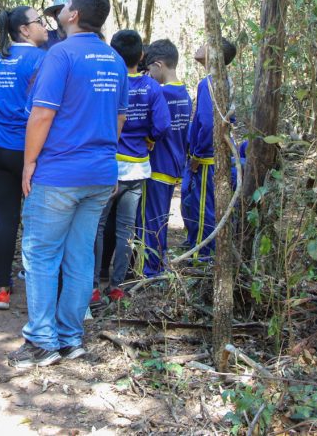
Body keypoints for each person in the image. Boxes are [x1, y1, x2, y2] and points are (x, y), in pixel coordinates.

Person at [9, 0, 128, 368]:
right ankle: (70, 337)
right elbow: (119, 119)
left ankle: (42, 341)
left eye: (68, 3)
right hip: (99, 172)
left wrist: (29, 163)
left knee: (41, 254)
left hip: (59, 173)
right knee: (78, 256)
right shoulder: (114, 59)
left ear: (74, 15)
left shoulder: (60, 54)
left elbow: (41, 115)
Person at [0, 6, 48, 309]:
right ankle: (38, 288)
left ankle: (2, 289)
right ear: (24, 30)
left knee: (6, 218)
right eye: (40, 21)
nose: (45, 26)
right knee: (38, 220)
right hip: (29, 150)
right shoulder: (42, 60)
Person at [93, 30, 169, 302]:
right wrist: (148, 139)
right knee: (126, 229)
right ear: (141, 56)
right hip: (137, 168)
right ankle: (116, 287)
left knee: (97, 227)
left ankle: (92, 287)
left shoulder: (106, 82)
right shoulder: (152, 88)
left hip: (107, 166)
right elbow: (162, 125)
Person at [141, 39, 193, 277]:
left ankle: (151, 270)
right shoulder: (184, 93)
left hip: (157, 164)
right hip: (174, 165)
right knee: (159, 218)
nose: (149, 74)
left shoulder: (160, 94)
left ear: (159, 64)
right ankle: (157, 264)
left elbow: (157, 126)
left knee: (152, 220)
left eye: (150, 69)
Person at [182, 38, 237, 259]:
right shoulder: (224, 81)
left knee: (204, 209)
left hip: (207, 158)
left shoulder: (210, 83)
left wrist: (196, 156)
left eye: (206, 43)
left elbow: (207, 122)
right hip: (217, 155)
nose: (200, 45)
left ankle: (203, 260)